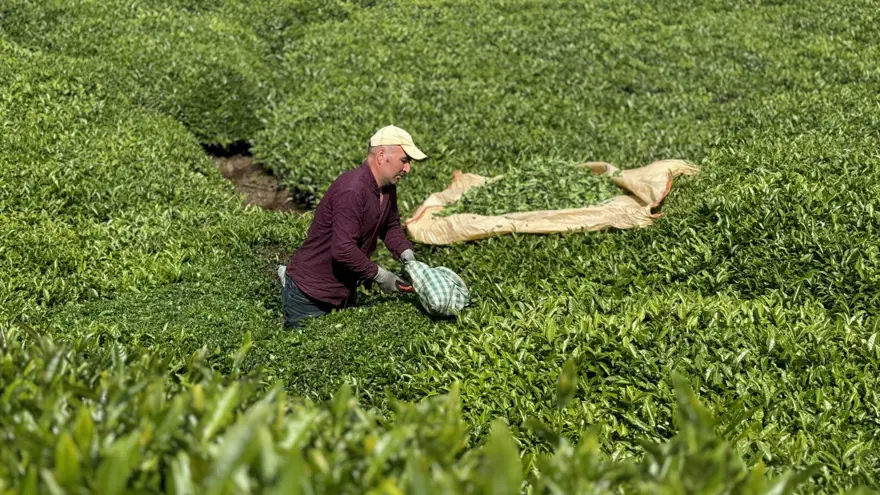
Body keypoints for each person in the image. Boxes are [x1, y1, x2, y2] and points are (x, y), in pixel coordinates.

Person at [277, 125, 427, 329]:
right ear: (382, 155)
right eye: (405, 160)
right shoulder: (352, 190)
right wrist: (381, 277)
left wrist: (407, 255)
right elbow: (343, 249)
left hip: (342, 291)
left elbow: (390, 226)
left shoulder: (388, 188)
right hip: (310, 295)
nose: (408, 168)